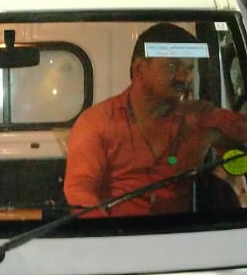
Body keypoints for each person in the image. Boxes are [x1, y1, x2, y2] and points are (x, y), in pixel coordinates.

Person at [64, 23, 247, 216]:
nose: (184, 78)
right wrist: (110, 232)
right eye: (172, 66)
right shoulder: (96, 122)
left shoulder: (199, 117)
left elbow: (241, 129)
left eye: (189, 69)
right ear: (139, 68)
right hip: (119, 231)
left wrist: (222, 151)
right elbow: (80, 193)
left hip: (185, 231)